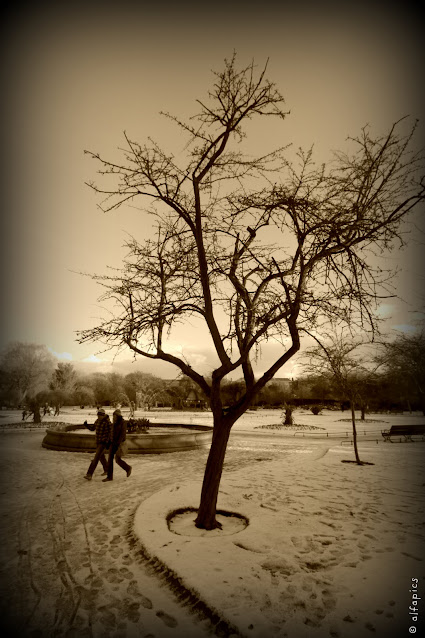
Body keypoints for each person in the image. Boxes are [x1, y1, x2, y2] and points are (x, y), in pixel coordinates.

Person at [102, 408, 132, 482]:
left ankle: (128, 468)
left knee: (117, 460)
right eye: (113, 416)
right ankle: (109, 477)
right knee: (110, 460)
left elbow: (122, 435)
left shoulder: (122, 423)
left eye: (115, 416)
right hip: (113, 443)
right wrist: (109, 442)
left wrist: (117, 444)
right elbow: (111, 434)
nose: (113, 417)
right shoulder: (114, 423)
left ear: (118, 416)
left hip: (119, 444)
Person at [84, 408, 112, 480]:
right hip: (98, 442)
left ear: (103, 415)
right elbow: (93, 428)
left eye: (99, 416)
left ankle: (89, 474)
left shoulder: (107, 422)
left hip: (103, 443)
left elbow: (110, 433)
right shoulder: (97, 421)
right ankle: (106, 470)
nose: (98, 417)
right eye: (98, 415)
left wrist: (106, 442)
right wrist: (86, 425)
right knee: (101, 456)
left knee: (96, 458)